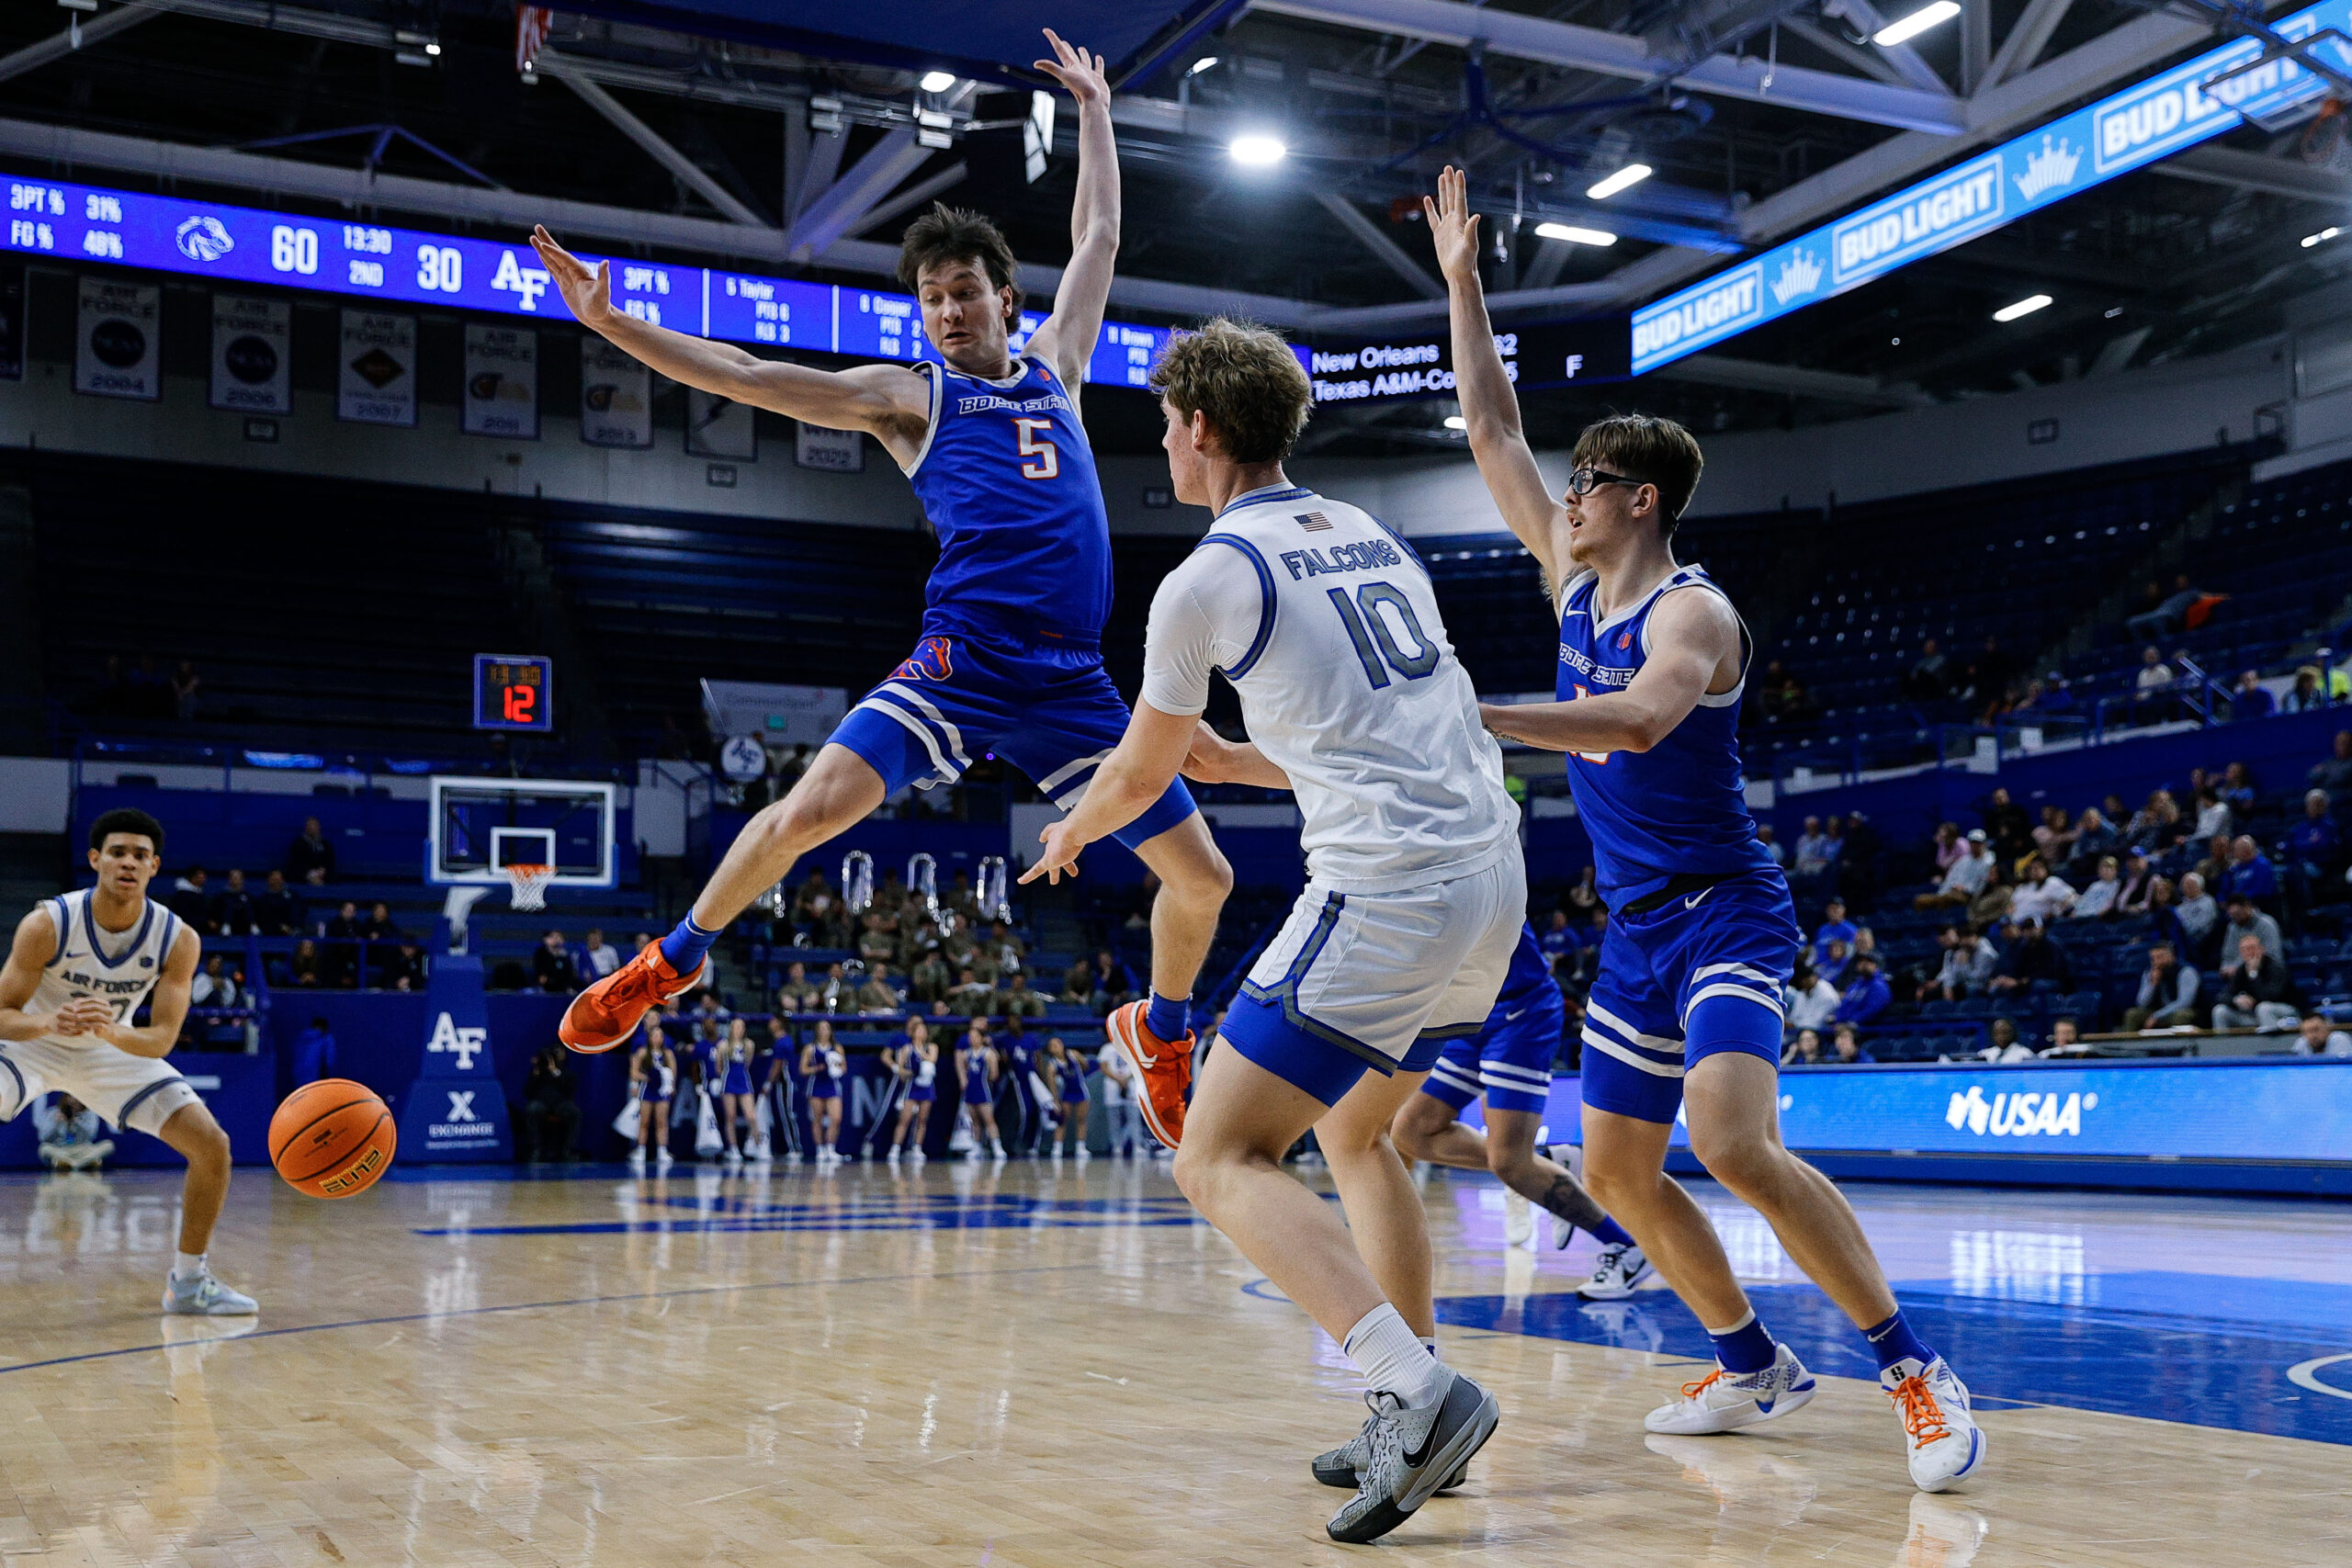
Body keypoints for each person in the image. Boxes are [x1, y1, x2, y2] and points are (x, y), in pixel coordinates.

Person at [542, 37, 1233, 1128]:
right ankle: (667, 964)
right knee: (809, 809)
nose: (948, 313)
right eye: (930, 299)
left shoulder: (1056, 365)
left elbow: (1098, 232)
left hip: (1072, 686)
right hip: (962, 661)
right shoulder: (907, 397)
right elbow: (753, 377)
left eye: (963, 294)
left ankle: (1162, 1029)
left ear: (1004, 298)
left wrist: (1096, 108)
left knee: (1204, 880)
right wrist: (615, 323)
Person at [1431, 170, 1976, 1496]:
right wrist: (1461, 278)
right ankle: (1749, 1361)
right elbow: (1493, 428)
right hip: (1635, 924)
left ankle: (1914, 1368)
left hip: (1726, 903)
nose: (1566, 492)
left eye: (1592, 480)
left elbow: (1629, 724)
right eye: (1573, 479)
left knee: (1730, 1137)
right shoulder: (1569, 578)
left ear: (1643, 500)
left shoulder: (1695, 615)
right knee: (1616, 1168)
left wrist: (1480, 711)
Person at [1017, 310, 1522, 1540]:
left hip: (1387, 889)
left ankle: (1417, 1384)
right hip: (1490, 878)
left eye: (1165, 428)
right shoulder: (1369, 534)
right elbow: (1391, 725)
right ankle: (1412, 1410)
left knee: (1214, 1152)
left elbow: (1138, 775)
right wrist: (1255, 760)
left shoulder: (1205, 577)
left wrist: (1076, 829)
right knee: (1361, 1136)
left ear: (1198, 428)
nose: (1165, 448)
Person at [0, 808, 254, 1314]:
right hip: (32, 1042)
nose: (128, 863)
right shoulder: (48, 923)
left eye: (140, 855)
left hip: (110, 1051)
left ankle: (188, 1283)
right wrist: (51, 1022)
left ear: (154, 866)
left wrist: (112, 1030)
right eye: (117, 852)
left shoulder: (176, 938)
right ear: (96, 859)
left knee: (212, 1146)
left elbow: (161, 1039)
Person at [1392, 927, 1642, 1288]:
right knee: (1411, 1131)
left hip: (1520, 1010)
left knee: (1510, 1161)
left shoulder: (1466, 870)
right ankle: (1547, 1164)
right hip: (1465, 1013)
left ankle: (1624, 1246)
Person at [2212, 932, 2301, 1032]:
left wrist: (2253, 974)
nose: (2249, 953)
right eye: (2245, 950)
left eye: (2252, 948)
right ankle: (2224, 1046)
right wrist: (2235, 1000)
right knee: (2220, 1011)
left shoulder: (2276, 968)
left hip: (2284, 1012)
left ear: (2262, 949)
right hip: (2254, 1015)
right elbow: (2223, 996)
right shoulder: (2241, 970)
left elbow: (2270, 996)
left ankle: (2271, 1046)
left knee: (2263, 1008)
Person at [628, 1021, 678, 1171]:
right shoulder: (643, 1052)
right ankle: (641, 1150)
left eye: (660, 1035)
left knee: (661, 1121)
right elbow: (634, 1072)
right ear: (649, 1038)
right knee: (644, 1121)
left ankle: (662, 1151)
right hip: (647, 1090)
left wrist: (669, 1084)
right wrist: (644, 1079)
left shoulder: (668, 1054)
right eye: (654, 1035)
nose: (657, 1038)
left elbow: (673, 1071)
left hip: (661, 1091)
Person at [888, 1017, 937, 1163]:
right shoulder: (906, 1049)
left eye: (924, 1030)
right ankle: (895, 1148)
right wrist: (906, 1074)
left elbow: (931, 1060)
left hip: (927, 1086)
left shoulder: (932, 1047)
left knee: (922, 1119)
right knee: (905, 1119)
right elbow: (900, 1067)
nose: (921, 1033)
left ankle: (917, 1148)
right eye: (918, 1030)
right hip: (912, 1086)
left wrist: (920, 1050)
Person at [955, 1018, 1004, 1160]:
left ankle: (997, 1146)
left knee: (989, 1119)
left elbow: (994, 1074)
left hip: (983, 1089)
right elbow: (963, 1068)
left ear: (982, 1038)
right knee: (974, 1120)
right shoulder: (967, 1054)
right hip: (971, 1089)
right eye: (970, 1037)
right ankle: (976, 1146)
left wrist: (987, 1080)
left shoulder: (988, 1053)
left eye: (975, 1037)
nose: (972, 1039)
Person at [522, 1043, 580, 1163]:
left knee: (574, 1113)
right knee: (531, 1110)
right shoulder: (537, 1072)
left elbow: (569, 1091)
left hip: (560, 1103)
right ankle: (535, 1150)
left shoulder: (566, 1073)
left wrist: (555, 1072)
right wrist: (536, 1073)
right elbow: (528, 1092)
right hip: (541, 1103)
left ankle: (567, 1151)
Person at [800, 1020, 846, 1165]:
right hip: (816, 1086)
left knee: (836, 1118)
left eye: (826, 1028)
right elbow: (803, 1069)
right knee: (817, 1118)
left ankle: (830, 1148)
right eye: (821, 1028)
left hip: (832, 1085)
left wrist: (836, 1069)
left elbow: (844, 1068)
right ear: (817, 1031)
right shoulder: (810, 1048)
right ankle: (820, 1149)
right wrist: (817, 1068)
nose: (824, 1031)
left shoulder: (837, 1048)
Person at [711, 1016, 756, 1165]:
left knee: (751, 1116)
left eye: (742, 1027)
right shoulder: (723, 1045)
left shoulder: (749, 1045)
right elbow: (718, 1067)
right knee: (730, 1116)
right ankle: (733, 1148)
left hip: (743, 1081)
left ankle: (756, 1145)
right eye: (736, 1026)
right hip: (729, 1081)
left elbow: (748, 1063)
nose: (739, 1030)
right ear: (731, 1029)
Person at [36, 1092, 114, 1171]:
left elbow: (91, 1135)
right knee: (43, 1149)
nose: (74, 1105)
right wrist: (55, 1124)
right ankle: (86, 1162)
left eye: (77, 1102)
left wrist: (78, 1122)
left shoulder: (89, 1114)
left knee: (109, 1145)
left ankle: (73, 1164)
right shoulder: (53, 1113)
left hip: (83, 1149)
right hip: (62, 1150)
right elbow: (42, 1137)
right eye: (71, 1101)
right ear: (65, 1099)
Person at [1044, 1035, 1091, 1158]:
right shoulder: (1052, 1065)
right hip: (1067, 1093)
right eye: (1053, 1046)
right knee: (1062, 1120)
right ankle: (1057, 1147)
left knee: (1081, 1120)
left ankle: (1081, 1147)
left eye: (1058, 1044)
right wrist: (1056, 1100)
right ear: (1050, 1050)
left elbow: (1085, 1065)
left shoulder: (1074, 1054)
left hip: (1081, 1091)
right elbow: (1052, 1085)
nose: (1056, 1047)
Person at [1098, 1032, 1141, 1156]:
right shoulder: (1107, 1048)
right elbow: (1104, 1067)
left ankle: (1137, 1144)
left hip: (1130, 1085)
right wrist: (1118, 1079)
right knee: (1114, 1118)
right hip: (1112, 1086)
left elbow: (1138, 1066)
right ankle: (1117, 1145)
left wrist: (1126, 1078)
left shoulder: (1133, 1047)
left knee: (1134, 1117)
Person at [1783, 964, 1839, 1033]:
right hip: (1800, 1029)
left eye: (1808, 978)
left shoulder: (1827, 996)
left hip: (1821, 1032)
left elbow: (1816, 1024)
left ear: (1815, 977)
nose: (1804, 982)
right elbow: (1795, 1016)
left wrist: (1794, 1024)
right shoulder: (1803, 991)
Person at [283, 816, 334, 884]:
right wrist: (310, 873)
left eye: (314, 826)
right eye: (310, 826)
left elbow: (330, 860)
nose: (312, 828)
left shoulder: (325, 844)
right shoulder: (298, 844)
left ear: (319, 827)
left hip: (322, 874)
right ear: (306, 828)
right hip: (303, 875)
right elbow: (297, 862)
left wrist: (322, 870)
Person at [532, 931, 577, 995]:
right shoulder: (541, 953)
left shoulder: (564, 954)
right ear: (546, 939)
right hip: (548, 984)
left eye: (558, 937)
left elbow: (568, 972)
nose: (556, 939)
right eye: (553, 937)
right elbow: (541, 972)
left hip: (562, 984)